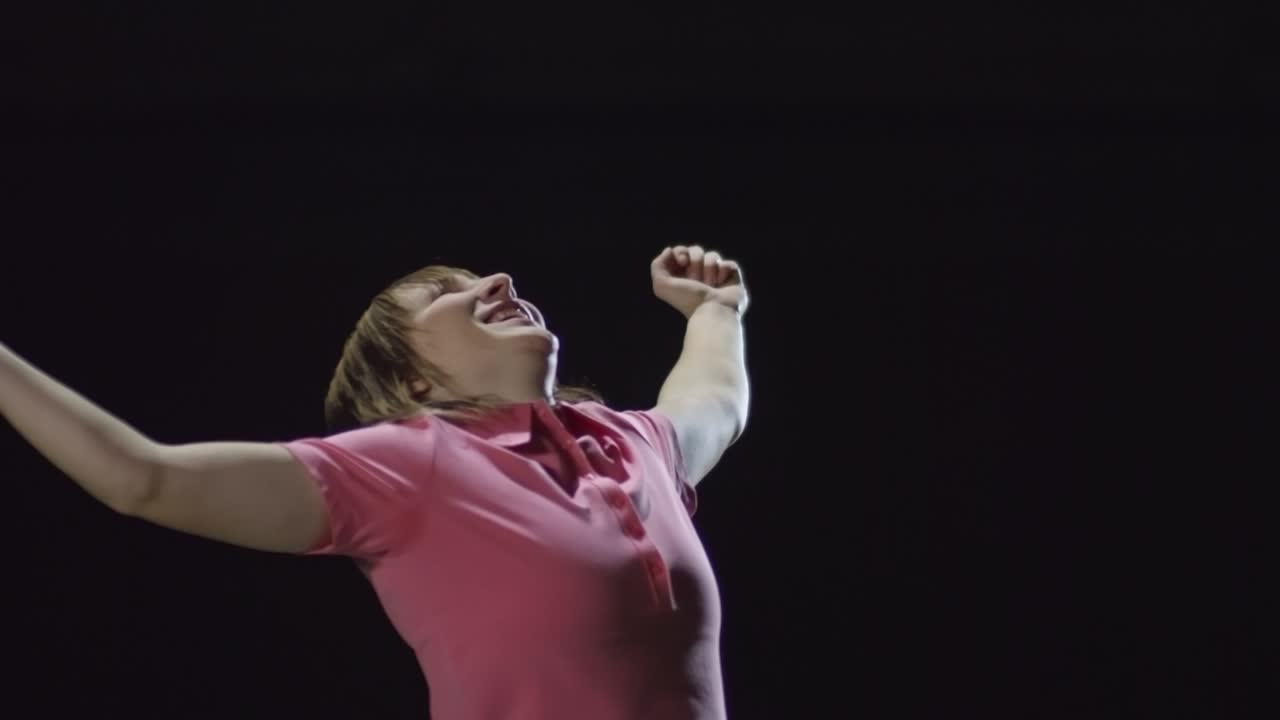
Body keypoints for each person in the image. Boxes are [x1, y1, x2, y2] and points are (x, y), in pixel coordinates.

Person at [0, 244, 750, 720]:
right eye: (443, 294)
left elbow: (714, 399)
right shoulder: (406, 466)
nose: (500, 279)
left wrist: (717, 309)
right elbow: (143, 477)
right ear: (414, 378)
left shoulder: (631, 445)